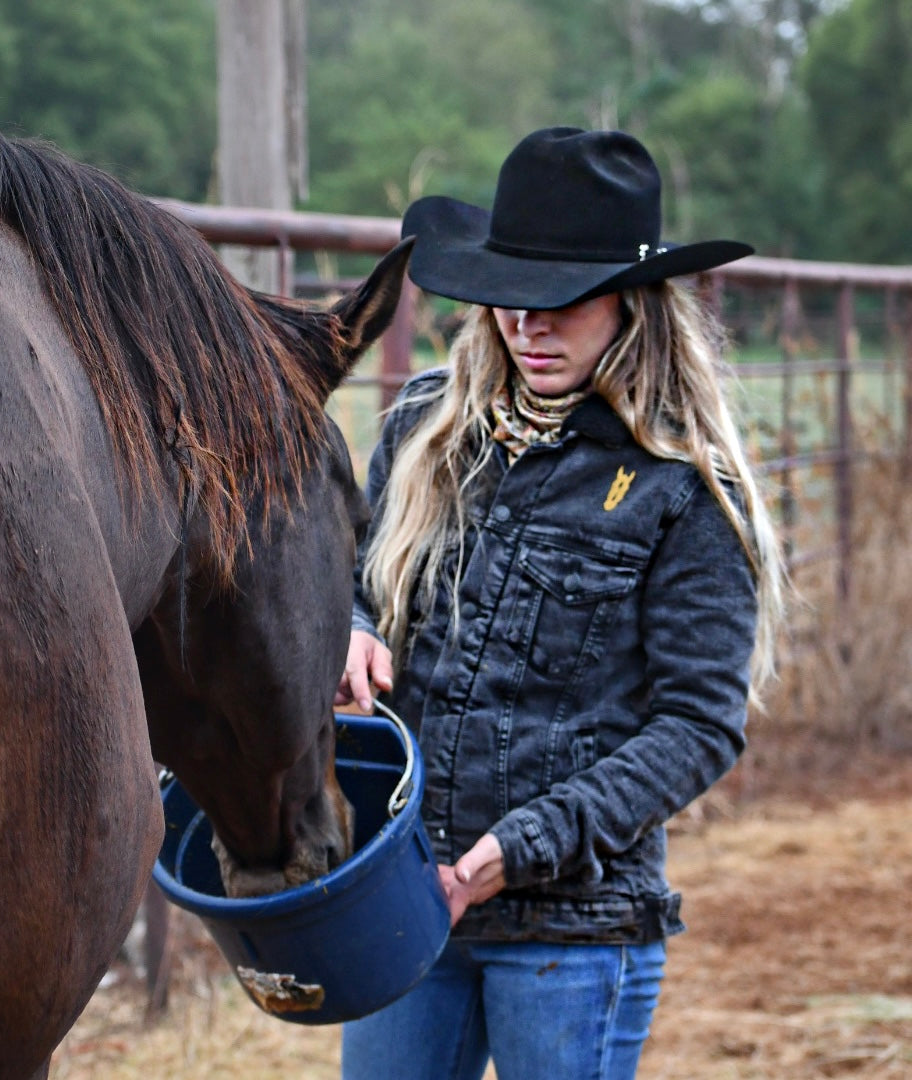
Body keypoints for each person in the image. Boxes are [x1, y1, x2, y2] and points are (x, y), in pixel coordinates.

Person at [334, 127, 784, 1080]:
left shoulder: (684, 489)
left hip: (576, 925)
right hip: (404, 895)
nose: (526, 326)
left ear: (631, 301)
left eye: (561, 303)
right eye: (508, 297)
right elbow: (354, 577)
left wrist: (518, 847)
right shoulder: (424, 428)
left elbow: (698, 724)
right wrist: (354, 630)